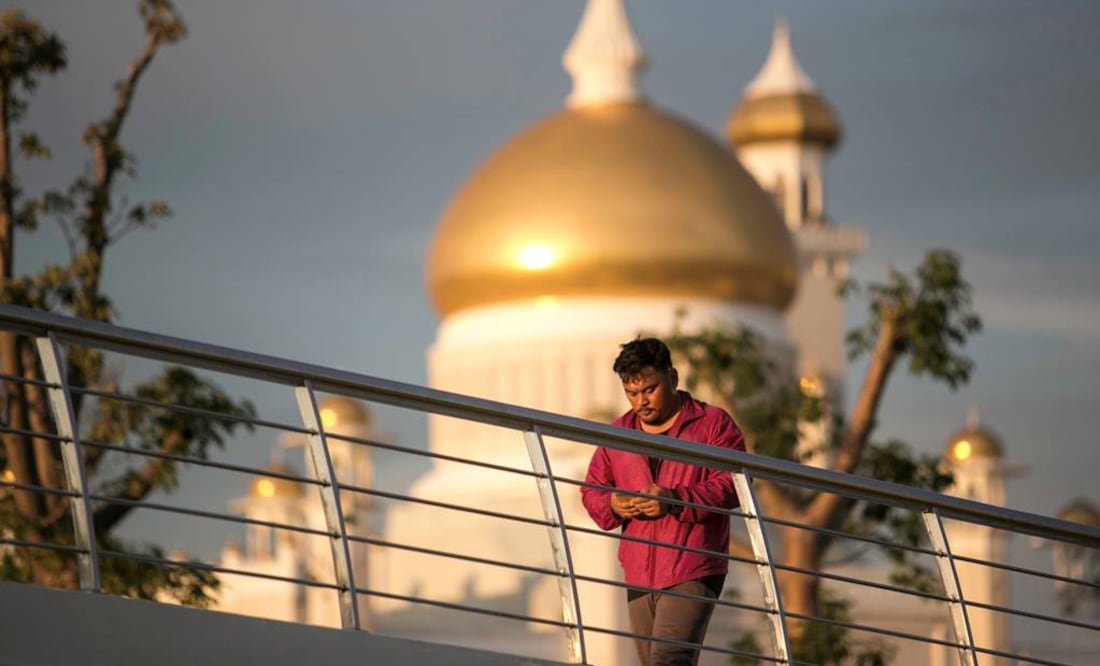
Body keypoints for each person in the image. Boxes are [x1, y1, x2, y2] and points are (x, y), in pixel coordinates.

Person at [581, 337, 745, 666]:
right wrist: (613, 504)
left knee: (669, 659)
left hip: (693, 566)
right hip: (639, 571)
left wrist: (676, 500)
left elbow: (734, 483)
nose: (640, 401)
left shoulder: (711, 423)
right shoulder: (618, 433)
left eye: (649, 389)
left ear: (673, 377)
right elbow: (592, 490)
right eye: (631, 392)